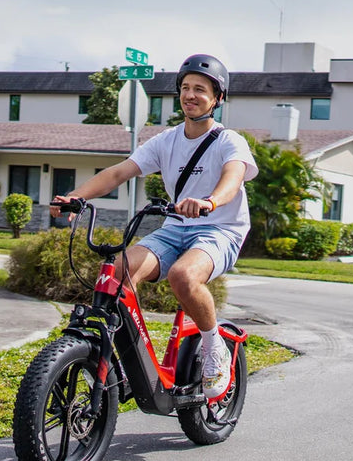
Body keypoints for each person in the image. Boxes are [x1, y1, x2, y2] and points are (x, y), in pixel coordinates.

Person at [51, 54, 258, 400]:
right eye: (186, 88)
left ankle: (213, 349)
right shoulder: (167, 140)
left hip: (220, 228)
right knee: (116, 272)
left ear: (217, 99)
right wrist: (74, 197)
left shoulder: (229, 141)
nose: (191, 96)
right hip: (176, 227)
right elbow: (120, 172)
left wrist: (209, 201)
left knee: (183, 276)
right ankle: (120, 360)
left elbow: (232, 179)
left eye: (201, 90)